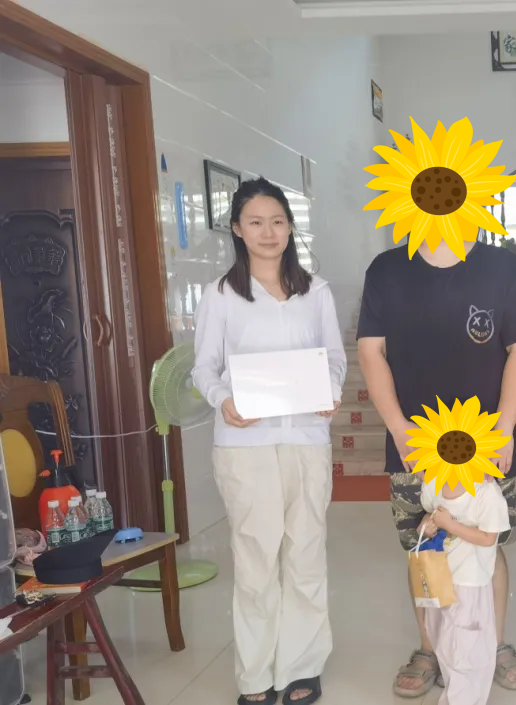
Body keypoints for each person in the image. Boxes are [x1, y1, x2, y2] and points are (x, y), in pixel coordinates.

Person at [356, 237, 516, 699]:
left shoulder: (502, 267)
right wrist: (398, 428)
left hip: (484, 444)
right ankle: (430, 649)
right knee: (424, 547)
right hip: (414, 445)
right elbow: (371, 351)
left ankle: (492, 643)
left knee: (487, 542)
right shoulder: (387, 269)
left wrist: (503, 428)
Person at [193, 177, 346, 705]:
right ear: (237, 229)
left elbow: (334, 358)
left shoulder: (315, 292)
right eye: (255, 222)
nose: (268, 232)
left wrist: (331, 391)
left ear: (290, 227)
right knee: (256, 560)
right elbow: (203, 367)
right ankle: (255, 675)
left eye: (278, 221)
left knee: (305, 554)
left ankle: (302, 665)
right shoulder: (220, 295)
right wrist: (222, 399)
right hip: (245, 445)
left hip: (306, 438)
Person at [418, 475, 511, 705]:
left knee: (465, 646)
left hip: (469, 582)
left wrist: (451, 525)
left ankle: (463, 699)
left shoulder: (486, 491)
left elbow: (488, 538)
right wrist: (427, 524)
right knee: (442, 637)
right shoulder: (434, 481)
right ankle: (455, 690)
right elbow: (429, 513)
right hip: (441, 577)